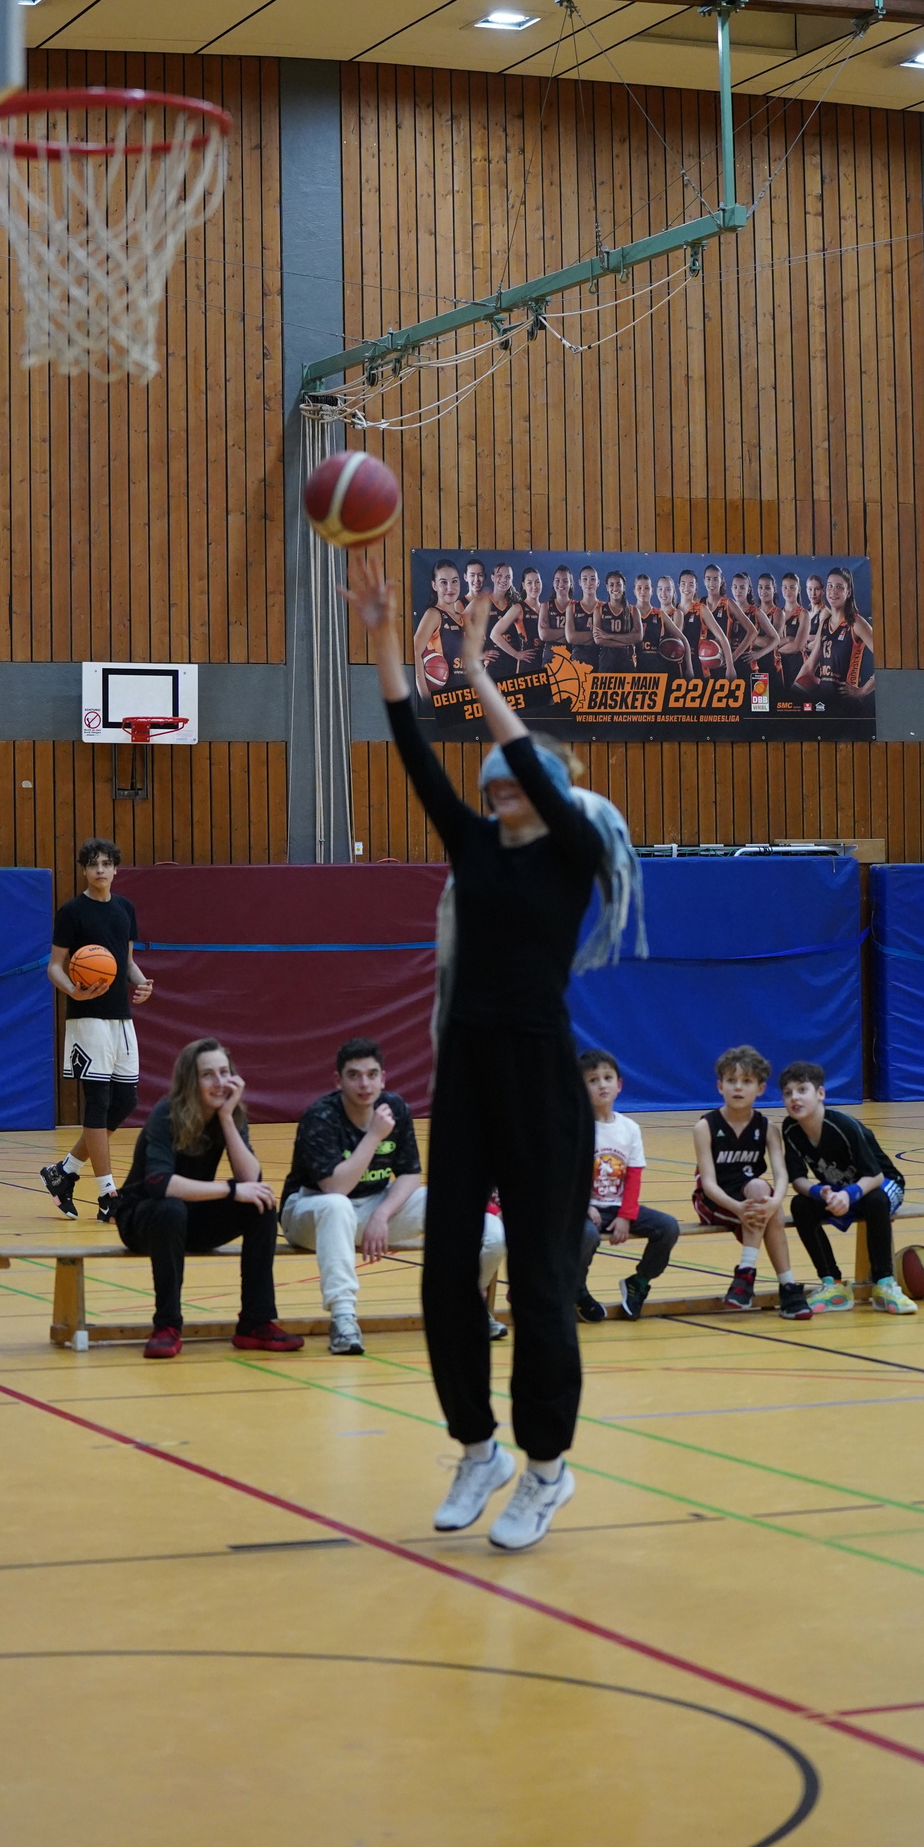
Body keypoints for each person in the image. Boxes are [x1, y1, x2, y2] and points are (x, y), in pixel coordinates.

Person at [339, 552, 645, 1553]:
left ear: (546, 789)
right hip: (465, 1074)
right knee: (444, 1277)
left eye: (518, 777)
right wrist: (384, 644)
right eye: (493, 781)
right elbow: (409, 747)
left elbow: (533, 776)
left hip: (539, 1079)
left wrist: (476, 671)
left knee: (541, 1283)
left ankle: (546, 1468)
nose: (499, 785)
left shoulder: (573, 855)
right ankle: (476, 1447)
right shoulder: (471, 847)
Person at [281, 1036, 507, 1355]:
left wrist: (382, 1214)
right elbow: (336, 1187)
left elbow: (410, 1175)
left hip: (374, 1203)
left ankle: (467, 1306)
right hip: (309, 1211)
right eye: (354, 1075)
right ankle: (343, 1319)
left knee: (480, 1223)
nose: (364, 1084)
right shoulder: (320, 1116)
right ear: (338, 1081)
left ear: (383, 1078)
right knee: (337, 1206)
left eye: (372, 1074)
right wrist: (374, 1136)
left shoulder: (396, 1107)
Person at [111, 1038, 307, 1358]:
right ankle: (167, 1326)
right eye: (208, 1075)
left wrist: (228, 1118)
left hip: (189, 1217)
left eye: (224, 1072)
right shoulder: (167, 1113)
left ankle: (255, 1322)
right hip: (142, 1219)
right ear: (191, 1080)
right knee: (170, 1209)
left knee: (261, 1204)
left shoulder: (228, 1114)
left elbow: (251, 1179)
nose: (219, 1082)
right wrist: (230, 1190)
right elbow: (160, 1184)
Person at [42, 838, 153, 1221]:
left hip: (121, 1019)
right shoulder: (72, 911)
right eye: (93, 864)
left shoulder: (125, 909)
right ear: (85, 870)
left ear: (116, 869)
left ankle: (64, 1172)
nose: (101, 870)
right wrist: (74, 990)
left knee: (126, 1102)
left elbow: (125, 962)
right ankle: (107, 1193)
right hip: (87, 1018)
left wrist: (141, 982)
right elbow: (54, 966)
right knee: (99, 1101)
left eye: (106, 863)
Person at [779, 1061, 915, 1313]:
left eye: (802, 1090)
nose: (794, 1098)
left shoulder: (844, 1126)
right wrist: (819, 1192)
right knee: (800, 1205)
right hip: (840, 1190)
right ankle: (833, 1283)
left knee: (876, 1200)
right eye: (788, 1093)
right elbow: (797, 1180)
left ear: (820, 1093)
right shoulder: (790, 1129)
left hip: (881, 1184)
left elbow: (875, 1176)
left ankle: (884, 1284)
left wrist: (848, 1195)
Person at [691, 1046, 812, 1318]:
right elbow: (708, 1183)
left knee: (764, 1196)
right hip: (715, 1201)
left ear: (760, 1089)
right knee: (767, 1208)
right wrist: (738, 1207)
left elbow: (781, 1174)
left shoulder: (767, 1128)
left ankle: (749, 1277)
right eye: (731, 1080)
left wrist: (774, 1202)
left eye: (746, 1081)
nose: (738, 1087)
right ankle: (787, 1287)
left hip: (751, 1198)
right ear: (720, 1086)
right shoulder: (705, 1127)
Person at [575, 1049, 680, 1322]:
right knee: (587, 1236)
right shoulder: (576, 1126)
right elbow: (567, 1176)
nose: (602, 1085)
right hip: (583, 1209)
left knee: (668, 1227)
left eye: (607, 1078)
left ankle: (639, 1282)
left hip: (618, 1207)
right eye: (593, 1080)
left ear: (619, 1084)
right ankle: (576, 1288)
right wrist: (583, 1205)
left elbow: (633, 1176)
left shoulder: (629, 1128)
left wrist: (625, 1215)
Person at [793, 568, 875, 705]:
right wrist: (790, 695)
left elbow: (884, 657)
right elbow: (809, 666)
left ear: (848, 592)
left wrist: (862, 691)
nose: (833, 591)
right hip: (825, 703)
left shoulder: (855, 623)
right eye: (830, 586)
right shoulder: (824, 624)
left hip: (847, 704)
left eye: (839, 587)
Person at [490, 566, 551, 704]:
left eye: (537, 582)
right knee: (526, 710)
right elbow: (495, 634)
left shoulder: (545, 608)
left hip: (545, 667)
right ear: (523, 585)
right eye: (529, 583)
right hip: (526, 668)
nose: (534, 586)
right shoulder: (518, 608)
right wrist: (516, 654)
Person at [414, 559, 465, 702]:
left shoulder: (464, 618)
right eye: (443, 582)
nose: (450, 587)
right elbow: (415, 652)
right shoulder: (433, 614)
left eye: (454, 581)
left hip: (466, 696)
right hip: (444, 698)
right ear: (434, 585)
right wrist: (425, 697)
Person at [591, 570, 639, 672]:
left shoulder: (633, 610)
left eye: (618, 584)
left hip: (627, 663)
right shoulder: (599, 610)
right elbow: (598, 640)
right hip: (606, 664)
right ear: (607, 588)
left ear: (624, 587)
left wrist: (609, 636)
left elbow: (638, 637)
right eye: (611, 585)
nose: (615, 588)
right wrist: (626, 642)